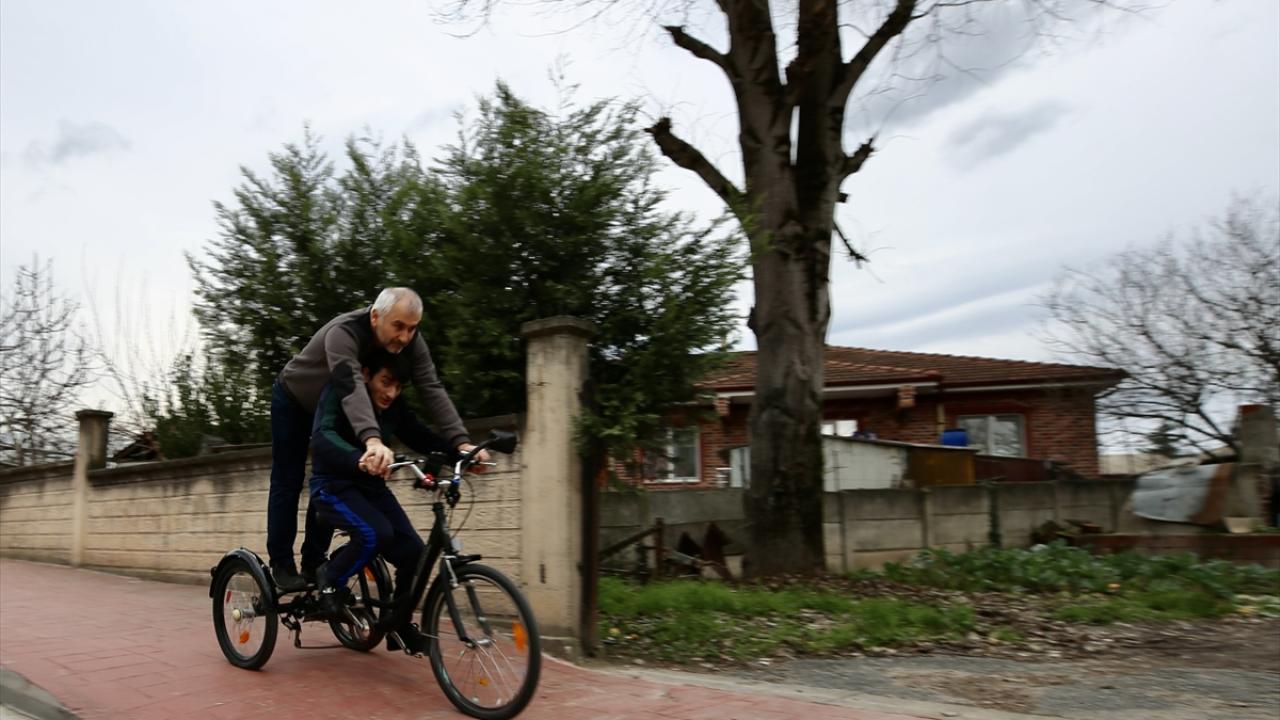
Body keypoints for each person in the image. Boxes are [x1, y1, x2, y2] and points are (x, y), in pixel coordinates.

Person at [267, 287, 487, 591]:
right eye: (398, 326)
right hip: (297, 400)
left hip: (339, 407)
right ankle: (281, 563)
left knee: (339, 477)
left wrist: (461, 443)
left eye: (412, 329)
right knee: (288, 480)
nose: (405, 337)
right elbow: (350, 385)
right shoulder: (344, 333)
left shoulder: (410, 343)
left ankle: (314, 562)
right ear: (375, 317)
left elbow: (431, 387)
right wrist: (371, 438)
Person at [308, 348, 448, 654]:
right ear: (367, 374)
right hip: (333, 484)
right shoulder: (339, 392)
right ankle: (330, 578)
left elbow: (420, 434)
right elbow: (321, 437)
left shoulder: (393, 406)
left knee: (415, 553)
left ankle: (398, 623)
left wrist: (463, 451)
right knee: (375, 534)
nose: (391, 392)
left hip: (371, 488)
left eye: (398, 386)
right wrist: (358, 458)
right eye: (386, 382)